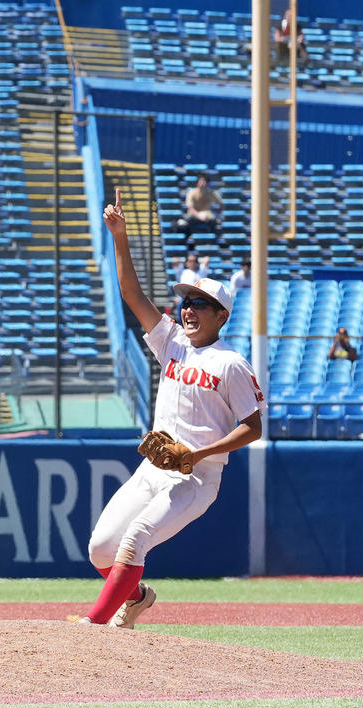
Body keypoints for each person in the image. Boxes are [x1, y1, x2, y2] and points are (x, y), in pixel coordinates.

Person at [75, 189, 264, 629]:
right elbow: (131, 293)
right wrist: (120, 237)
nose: (189, 309)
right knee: (101, 548)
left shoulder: (231, 363)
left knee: (136, 538)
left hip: (197, 477)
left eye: (200, 304)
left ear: (222, 316)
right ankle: (138, 598)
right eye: (187, 302)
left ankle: (96, 624)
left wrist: (196, 455)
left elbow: (253, 427)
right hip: (154, 469)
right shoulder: (172, 343)